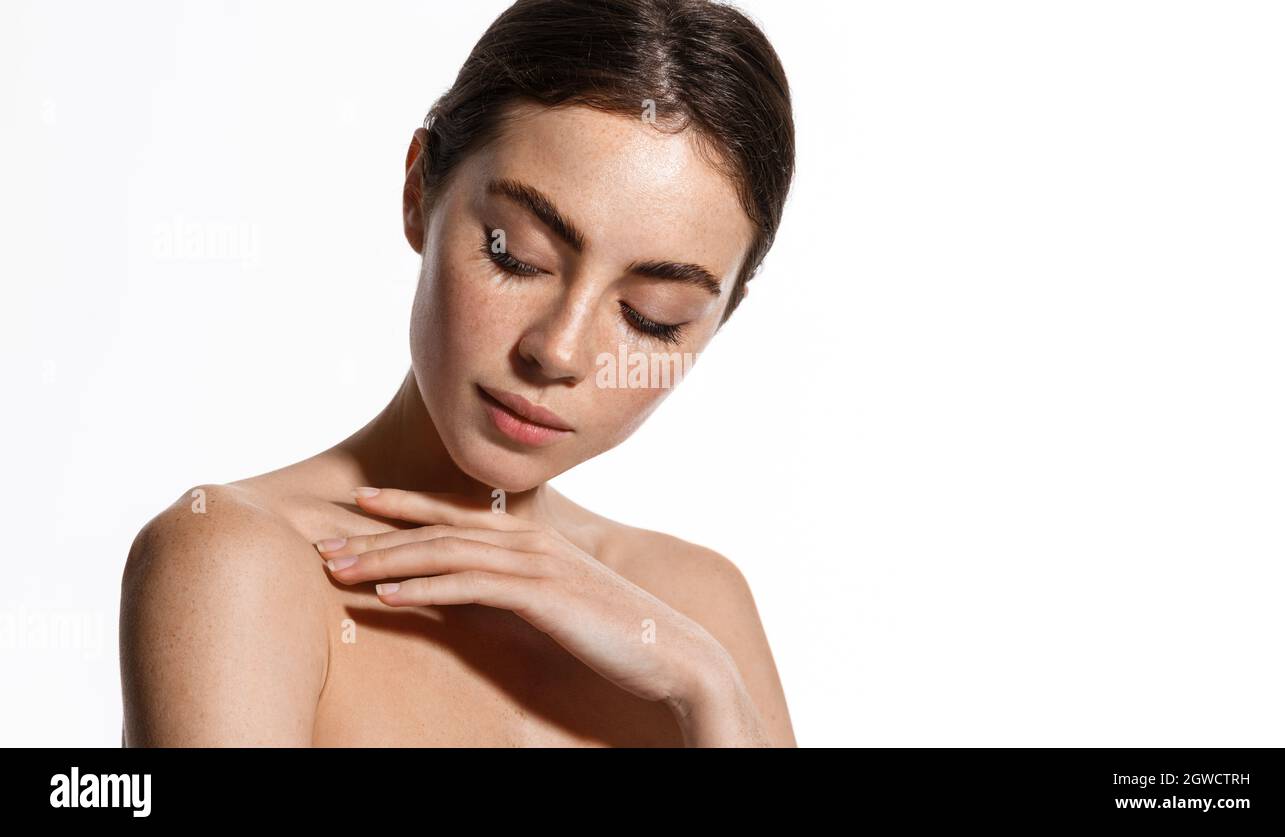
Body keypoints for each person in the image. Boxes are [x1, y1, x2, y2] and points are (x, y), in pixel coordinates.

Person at [119, 0, 797, 747]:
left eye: (651, 315)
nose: (560, 351)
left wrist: (706, 687)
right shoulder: (237, 561)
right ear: (420, 192)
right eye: (517, 256)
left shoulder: (701, 610)